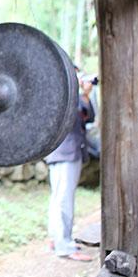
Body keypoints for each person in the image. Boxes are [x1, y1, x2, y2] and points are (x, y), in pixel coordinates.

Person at [44, 70, 95, 261]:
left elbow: (88, 117)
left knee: (58, 197)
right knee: (64, 198)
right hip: (67, 152)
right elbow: (78, 114)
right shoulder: (66, 96)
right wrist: (83, 94)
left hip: (59, 151)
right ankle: (64, 245)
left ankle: (56, 239)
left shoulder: (53, 93)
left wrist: (85, 95)